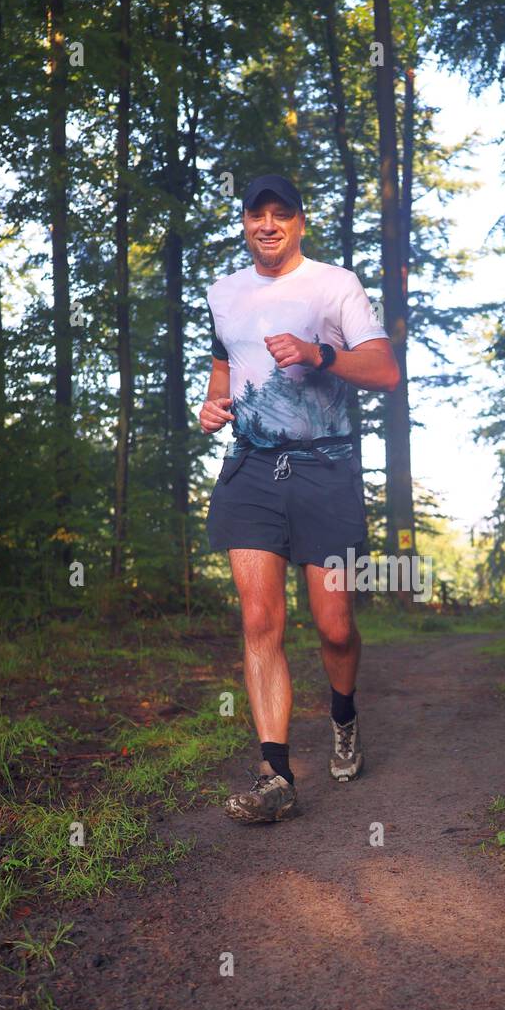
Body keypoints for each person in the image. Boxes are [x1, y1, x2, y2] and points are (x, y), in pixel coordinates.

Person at [200, 174, 401, 823]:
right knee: (260, 621)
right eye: (256, 215)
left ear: (300, 223)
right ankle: (275, 774)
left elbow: (385, 369)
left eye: (280, 215)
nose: (267, 224)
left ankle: (344, 717)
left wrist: (319, 354)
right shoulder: (224, 293)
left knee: (334, 626)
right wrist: (214, 399)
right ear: (244, 223)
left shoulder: (334, 284)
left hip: (326, 468)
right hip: (252, 471)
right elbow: (226, 361)